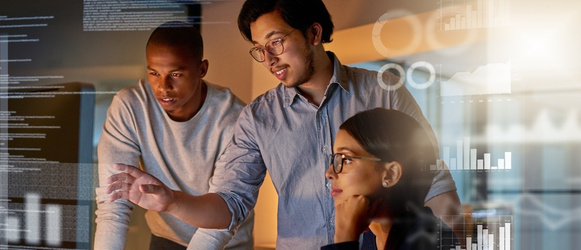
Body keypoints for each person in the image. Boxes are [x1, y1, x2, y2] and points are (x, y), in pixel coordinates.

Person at [106, 0, 462, 249]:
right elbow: (230, 204)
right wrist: (171, 202)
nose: (268, 59)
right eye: (259, 49)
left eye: (276, 42)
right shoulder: (257, 118)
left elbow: (433, 179)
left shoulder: (384, 92)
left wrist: (450, 243)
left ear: (313, 33)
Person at [94, 21, 254, 250]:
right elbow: (113, 205)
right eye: (154, 73)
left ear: (202, 69)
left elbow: (223, 215)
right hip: (166, 238)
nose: (163, 87)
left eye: (175, 74)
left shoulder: (235, 119)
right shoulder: (130, 107)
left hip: (224, 242)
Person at [321, 108, 458, 250]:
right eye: (335, 159)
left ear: (391, 174)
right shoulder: (374, 234)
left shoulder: (428, 241)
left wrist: (344, 240)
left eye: (346, 160)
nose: (329, 173)